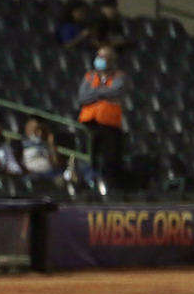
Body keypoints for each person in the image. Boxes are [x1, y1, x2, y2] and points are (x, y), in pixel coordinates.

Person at [77, 44, 129, 189]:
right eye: (98, 56)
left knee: (110, 161)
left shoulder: (120, 77)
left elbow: (116, 92)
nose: (99, 59)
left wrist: (96, 92)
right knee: (86, 158)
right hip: (89, 124)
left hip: (110, 126)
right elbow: (83, 97)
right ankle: (88, 185)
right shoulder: (89, 76)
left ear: (111, 60)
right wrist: (103, 92)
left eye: (103, 56)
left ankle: (109, 188)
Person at [19, 118, 66, 182]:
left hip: (49, 173)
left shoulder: (45, 144)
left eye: (41, 130)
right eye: (36, 129)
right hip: (33, 174)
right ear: (27, 128)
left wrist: (51, 145)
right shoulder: (21, 143)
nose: (39, 133)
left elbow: (56, 162)